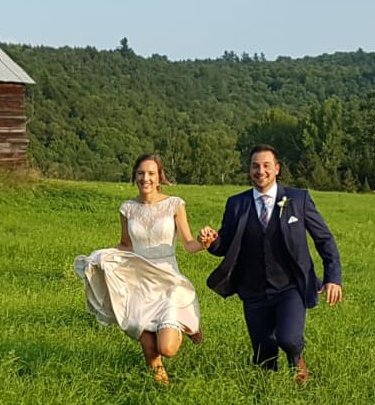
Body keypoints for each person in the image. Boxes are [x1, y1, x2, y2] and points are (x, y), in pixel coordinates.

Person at [197, 144, 342, 385]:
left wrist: (333, 277)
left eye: (266, 165)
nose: (260, 171)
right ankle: (267, 400)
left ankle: (297, 360)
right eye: (255, 166)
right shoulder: (237, 204)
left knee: (289, 338)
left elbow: (324, 239)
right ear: (249, 170)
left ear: (277, 169)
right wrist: (212, 242)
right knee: (264, 359)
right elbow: (224, 245)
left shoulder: (298, 199)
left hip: (291, 286)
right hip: (253, 289)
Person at [74, 153, 207, 385]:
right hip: (139, 282)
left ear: (159, 177)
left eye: (151, 173)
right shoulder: (127, 208)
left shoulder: (174, 204)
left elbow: (189, 244)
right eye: (141, 173)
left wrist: (204, 242)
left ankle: (185, 324)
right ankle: (161, 387)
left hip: (168, 281)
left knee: (166, 348)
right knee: (148, 346)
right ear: (134, 176)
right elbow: (126, 245)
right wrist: (100, 256)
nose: (145, 178)